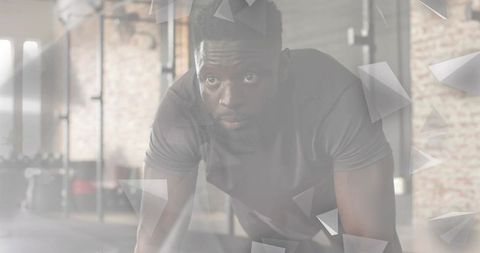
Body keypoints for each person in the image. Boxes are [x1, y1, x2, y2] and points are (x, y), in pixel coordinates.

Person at [135, 0, 403, 252]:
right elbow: (156, 234)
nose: (230, 100)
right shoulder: (180, 110)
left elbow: (369, 239)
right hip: (263, 216)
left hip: (330, 205)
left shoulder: (338, 100)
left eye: (249, 76)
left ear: (283, 68)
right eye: (212, 79)